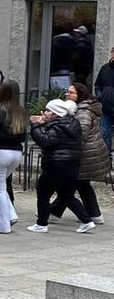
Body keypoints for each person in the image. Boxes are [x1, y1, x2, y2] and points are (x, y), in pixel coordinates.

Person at [28, 99, 94, 234]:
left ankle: (41, 223)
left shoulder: (57, 126)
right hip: (72, 163)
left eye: (48, 111)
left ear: (56, 113)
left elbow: (45, 141)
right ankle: (86, 221)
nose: (45, 113)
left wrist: (35, 126)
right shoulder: (72, 123)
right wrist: (44, 123)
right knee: (66, 195)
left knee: (43, 193)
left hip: (56, 163)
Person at [50, 82, 106, 226]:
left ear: (79, 95)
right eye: (67, 91)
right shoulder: (79, 108)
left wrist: (68, 149)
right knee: (81, 184)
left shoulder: (83, 112)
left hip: (86, 153)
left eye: (71, 92)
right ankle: (94, 214)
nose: (67, 94)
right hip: (86, 152)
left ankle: (54, 212)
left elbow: (81, 134)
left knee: (70, 184)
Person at [0, 80, 27, 234]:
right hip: (16, 152)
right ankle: (10, 214)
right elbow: (22, 135)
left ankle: (3, 224)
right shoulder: (21, 112)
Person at [93, 46, 114, 152]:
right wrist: (99, 95)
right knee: (105, 134)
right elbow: (97, 84)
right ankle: (107, 157)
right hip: (106, 107)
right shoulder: (105, 68)